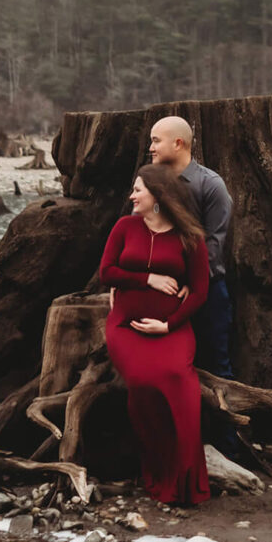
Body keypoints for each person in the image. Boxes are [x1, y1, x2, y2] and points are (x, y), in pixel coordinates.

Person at [99, 163, 210, 505]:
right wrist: (147, 279)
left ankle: (186, 478)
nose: (131, 196)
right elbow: (107, 272)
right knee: (144, 381)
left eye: (138, 190)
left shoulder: (189, 238)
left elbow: (200, 291)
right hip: (126, 327)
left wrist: (169, 323)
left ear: (158, 195)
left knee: (179, 380)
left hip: (171, 330)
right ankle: (156, 469)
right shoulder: (124, 227)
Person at [147, 116, 234, 377]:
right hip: (162, 287)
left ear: (178, 144)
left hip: (207, 291)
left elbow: (215, 242)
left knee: (216, 364)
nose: (150, 148)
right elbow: (144, 233)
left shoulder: (210, 184)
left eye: (155, 141)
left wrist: (194, 284)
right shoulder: (152, 184)